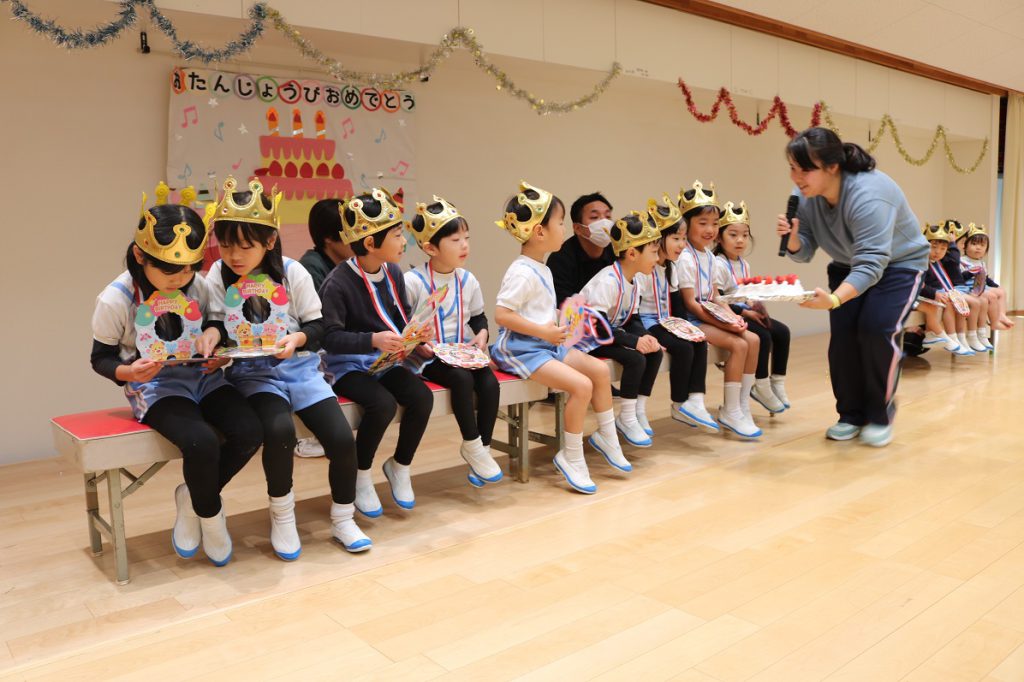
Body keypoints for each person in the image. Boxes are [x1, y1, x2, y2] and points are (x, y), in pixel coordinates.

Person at [90, 183, 263, 566]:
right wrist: (128, 371)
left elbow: (216, 322)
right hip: (155, 387)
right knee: (201, 442)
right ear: (140, 255)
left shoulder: (195, 284)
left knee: (251, 431)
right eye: (169, 269)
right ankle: (211, 517)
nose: (180, 278)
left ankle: (193, 498)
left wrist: (214, 341)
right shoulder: (116, 299)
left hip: (204, 378)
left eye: (189, 267)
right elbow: (100, 358)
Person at [208, 177, 370, 558]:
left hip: (299, 369)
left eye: (245, 246)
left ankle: (344, 518)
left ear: (269, 241)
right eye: (227, 245)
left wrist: (297, 339)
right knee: (279, 431)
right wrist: (213, 340)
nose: (234, 255)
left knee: (341, 439)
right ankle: (282, 516)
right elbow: (216, 323)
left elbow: (318, 327)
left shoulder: (293, 272)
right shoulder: (217, 274)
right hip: (254, 375)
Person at [778, 126, 929, 447]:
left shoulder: (869, 194)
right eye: (792, 168)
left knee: (876, 329)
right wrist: (793, 240)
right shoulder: (804, 195)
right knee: (844, 339)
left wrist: (834, 299)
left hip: (899, 265)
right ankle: (850, 415)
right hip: (847, 265)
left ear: (832, 167)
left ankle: (879, 415)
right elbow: (805, 251)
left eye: (805, 169)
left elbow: (872, 263)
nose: (796, 177)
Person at [491, 181, 628, 494]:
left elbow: (537, 311)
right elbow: (502, 315)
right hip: (521, 349)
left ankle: (607, 436)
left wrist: (561, 320)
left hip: (545, 344)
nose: (564, 229)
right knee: (581, 386)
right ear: (540, 231)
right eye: (561, 222)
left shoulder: (542, 268)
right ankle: (572, 456)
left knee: (599, 371)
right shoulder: (522, 271)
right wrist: (544, 331)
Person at [319, 188, 434, 515]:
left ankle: (400, 465)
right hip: (346, 366)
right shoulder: (337, 283)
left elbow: (400, 316)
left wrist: (416, 338)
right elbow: (329, 338)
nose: (403, 242)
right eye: (396, 235)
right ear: (370, 243)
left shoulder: (393, 272)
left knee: (421, 397)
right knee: (381, 404)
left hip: (385, 360)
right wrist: (372, 340)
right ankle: (361, 473)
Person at [404, 195, 502, 487]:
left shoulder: (467, 280)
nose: (464, 246)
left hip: (461, 354)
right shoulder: (413, 281)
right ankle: (471, 443)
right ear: (430, 247)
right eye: (455, 240)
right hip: (427, 357)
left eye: (467, 238)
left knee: (489, 382)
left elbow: (478, 318)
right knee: (461, 379)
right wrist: (417, 344)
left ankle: (482, 450)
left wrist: (482, 335)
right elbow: (402, 326)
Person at [678, 181, 762, 439]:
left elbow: (716, 296)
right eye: (702, 223)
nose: (710, 230)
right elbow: (691, 304)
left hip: (709, 315)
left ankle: (741, 405)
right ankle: (731, 410)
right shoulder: (685, 257)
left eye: (714, 224)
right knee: (738, 345)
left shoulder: (710, 257)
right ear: (686, 223)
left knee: (753, 339)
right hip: (692, 319)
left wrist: (732, 316)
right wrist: (723, 323)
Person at [577, 211, 663, 448]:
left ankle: (638, 410)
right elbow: (597, 327)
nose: (657, 258)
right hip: (584, 340)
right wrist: (634, 342)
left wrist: (646, 336)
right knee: (635, 358)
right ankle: (626, 417)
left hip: (607, 334)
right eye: (654, 252)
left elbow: (631, 319)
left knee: (655, 351)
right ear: (633, 253)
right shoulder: (608, 281)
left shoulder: (638, 279)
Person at [634, 196, 717, 431]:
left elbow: (676, 304)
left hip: (665, 321)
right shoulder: (644, 270)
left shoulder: (671, 266)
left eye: (683, 238)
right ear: (658, 238)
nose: (682, 245)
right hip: (645, 323)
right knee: (682, 348)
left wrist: (686, 328)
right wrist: (645, 336)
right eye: (676, 238)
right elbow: (634, 310)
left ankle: (695, 401)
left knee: (698, 340)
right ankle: (672, 404)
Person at [715, 200, 791, 413]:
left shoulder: (744, 263)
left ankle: (777, 382)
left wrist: (757, 305)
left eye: (745, 235)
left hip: (746, 312)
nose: (740, 240)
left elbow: (746, 294)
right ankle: (761, 384)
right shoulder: (718, 264)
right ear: (719, 237)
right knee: (762, 336)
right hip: (729, 315)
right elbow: (718, 300)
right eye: (733, 235)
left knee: (782, 332)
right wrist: (745, 312)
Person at [546, 192, 616, 306]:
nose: (604, 223)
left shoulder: (618, 252)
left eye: (608, 217)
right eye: (594, 217)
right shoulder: (560, 260)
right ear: (578, 228)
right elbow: (562, 305)